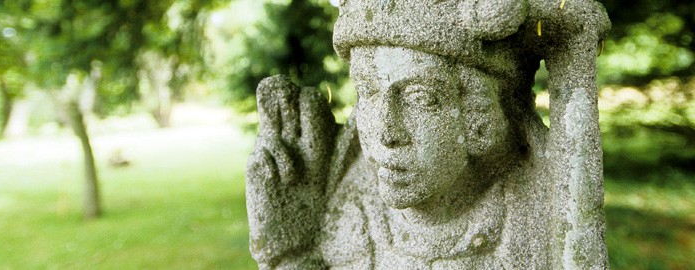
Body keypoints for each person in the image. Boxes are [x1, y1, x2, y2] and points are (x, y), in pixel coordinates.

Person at [246, 0, 610, 269]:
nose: (386, 131)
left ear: (478, 119)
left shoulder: (533, 221)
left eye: (419, 98)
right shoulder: (354, 211)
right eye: (369, 92)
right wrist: (291, 255)